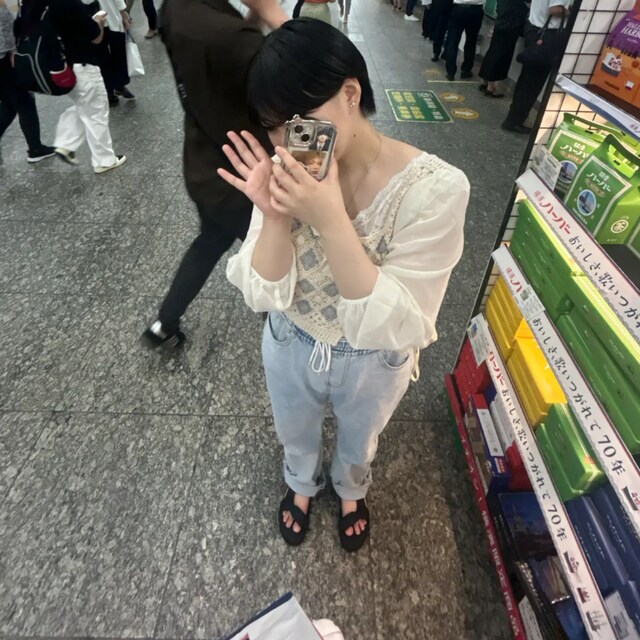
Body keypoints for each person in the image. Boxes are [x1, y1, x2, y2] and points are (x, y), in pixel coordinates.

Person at [222, 19, 469, 552]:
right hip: (291, 338)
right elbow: (263, 294)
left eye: (300, 120)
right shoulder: (288, 169)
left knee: (362, 433)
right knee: (294, 425)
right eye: (273, 126)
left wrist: (331, 220)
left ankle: (351, 487)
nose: (288, 142)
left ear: (350, 93)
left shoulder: (436, 189)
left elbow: (404, 321)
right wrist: (275, 215)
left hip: (375, 360)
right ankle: (300, 480)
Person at [140, 0, 289, 350]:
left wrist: (254, 15)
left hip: (204, 162)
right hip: (246, 175)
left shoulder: (177, 9)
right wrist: (271, 11)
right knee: (274, 254)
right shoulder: (231, 37)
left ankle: (164, 324)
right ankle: (286, 332)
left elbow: (227, 60)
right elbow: (306, 72)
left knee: (210, 240)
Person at [15, 0, 126, 172]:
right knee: (97, 111)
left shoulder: (31, 4)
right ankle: (104, 160)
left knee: (85, 105)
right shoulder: (68, 3)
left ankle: (66, 143)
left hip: (60, 68)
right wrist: (98, 21)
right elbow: (96, 37)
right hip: (83, 64)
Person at [502, 0, 571, 133]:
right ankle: (514, 121)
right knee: (532, 83)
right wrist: (574, 11)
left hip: (534, 28)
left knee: (526, 80)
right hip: (547, 35)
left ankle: (513, 118)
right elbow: (555, 9)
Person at [0, 0, 54, 165]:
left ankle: (35, 147)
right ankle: (35, 149)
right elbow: (5, 30)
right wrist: (14, 50)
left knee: (10, 104)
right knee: (25, 103)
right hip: (4, 60)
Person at [478, 0, 527, 97]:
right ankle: (490, 88)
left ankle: (485, 82)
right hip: (511, 24)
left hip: (501, 21)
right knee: (501, 57)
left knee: (493, 52)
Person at [97, 0, 135, 106]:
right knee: (104, 57)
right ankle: (110, 90)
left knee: (116, 54)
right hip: (98, 19)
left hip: (110, 15)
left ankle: (117, 85)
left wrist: (124, 13)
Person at [444, 0, 485, 80]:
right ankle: (466, 70)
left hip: (458, 9)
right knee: (471, 41)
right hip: (476, 10)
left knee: (452, 41)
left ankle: (450, 72)